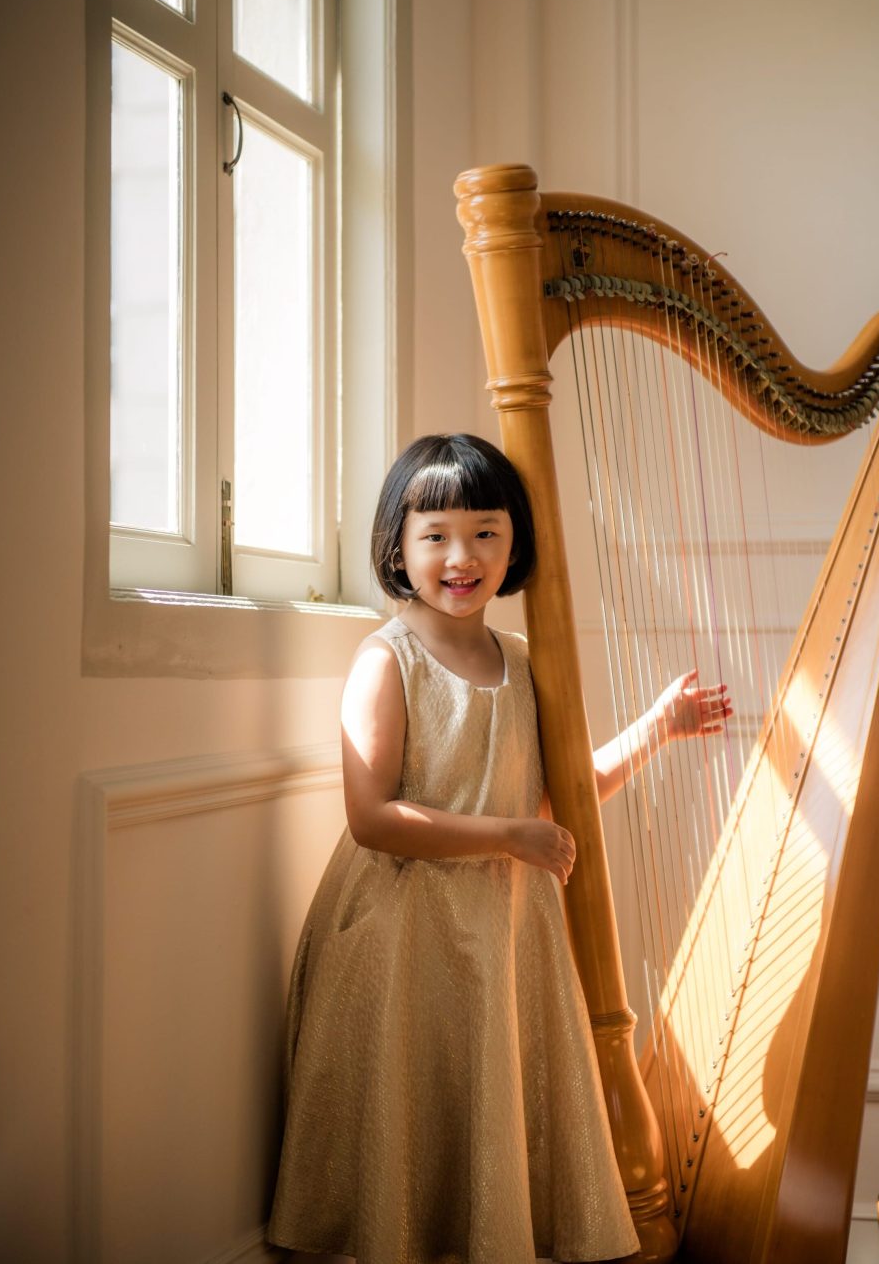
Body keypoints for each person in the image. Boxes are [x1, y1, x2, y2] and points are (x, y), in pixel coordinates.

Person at [266, 433, 731, 1264]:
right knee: (407, 1111)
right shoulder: (388, 660)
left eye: (485, 531)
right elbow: (372, 816)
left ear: (514, 543)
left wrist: (661, 728)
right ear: (397, 546)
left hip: (498, 935)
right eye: (436, 533)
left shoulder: (518, 661)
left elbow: (563, 787)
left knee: (479, 1107)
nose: (461, 555)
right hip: (403, 932)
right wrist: (509, 835)